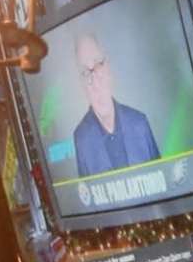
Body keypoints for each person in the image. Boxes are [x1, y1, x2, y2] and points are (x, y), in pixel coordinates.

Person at [63, 27, 161, 178]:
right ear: (81, 84)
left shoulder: (139, 123)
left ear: (108, 67)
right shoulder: (81, 138)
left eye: (98, 64)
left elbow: (163, 185)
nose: (95, 80)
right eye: (85, 72)